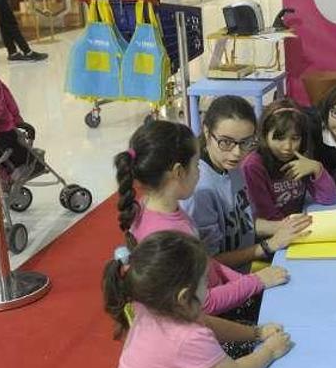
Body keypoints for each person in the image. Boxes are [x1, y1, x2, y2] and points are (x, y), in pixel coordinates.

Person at [114, 120, 288, 317]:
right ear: (179, 171)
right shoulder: (169, 236)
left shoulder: (160, 208)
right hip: (209, 320)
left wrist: (248, 280)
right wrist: (257, 282)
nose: (199, 172)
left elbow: (208, 263)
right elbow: (203, 305)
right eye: (197, 164)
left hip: (217, 301)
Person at [103, 231, 292, 368]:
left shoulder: (151, 307)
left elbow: (207, 322)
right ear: (184, 296)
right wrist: (270, 351)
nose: (208, 284)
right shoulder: (186, 337)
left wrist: (256, 333)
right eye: (205, 281)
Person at [182, 95, 312, 271]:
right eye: (226, 142)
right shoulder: (199, 190)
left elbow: (243, 222)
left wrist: (281, 226)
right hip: (226, 282)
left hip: (245, 269)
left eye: (246, 142)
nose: (237, 152)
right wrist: (267, 246)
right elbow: (210, 264)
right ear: (207, 132)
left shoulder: (230, 165)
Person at [242, 99, 336, 226]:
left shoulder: (300, 156)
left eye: (295, 138)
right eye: (280, 138)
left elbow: (329, 198)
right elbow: (268, 216)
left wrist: (317, 168)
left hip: (293, 226)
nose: (288, 146)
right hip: (274, 232)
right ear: (264, 135)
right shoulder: (253, 166)